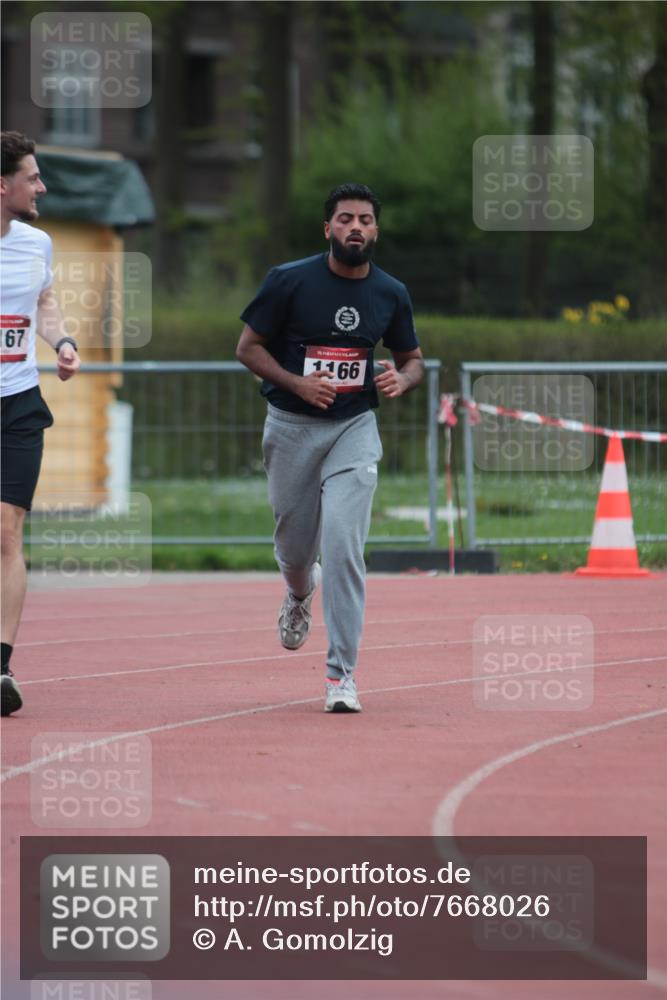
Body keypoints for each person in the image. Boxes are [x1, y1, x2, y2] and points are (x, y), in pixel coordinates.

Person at [236, 182, 424, 713]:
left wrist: (403, 381)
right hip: (291, 426)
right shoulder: (289, 281)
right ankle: (298, 594)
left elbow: (413, 359)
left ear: (376, 230)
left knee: (343, 545)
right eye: (345, 219)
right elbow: (246, 348)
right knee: (297, 553)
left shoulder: (390, 292)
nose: (355, 228)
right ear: (328, 229)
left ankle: (341, 675)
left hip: (354, 428)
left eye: (365, 219)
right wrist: (298, 384)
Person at [1, 131, 81, 717]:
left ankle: (0, 668)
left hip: (19, 402)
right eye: (32, 177)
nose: (41, 186)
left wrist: (63, 340)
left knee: (6, 532)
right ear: (1, 185)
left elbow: (43, 303)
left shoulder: (37, 244)